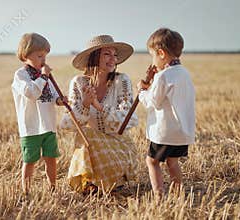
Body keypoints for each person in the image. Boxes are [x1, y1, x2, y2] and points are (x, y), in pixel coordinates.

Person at [60, 35, 138, 193]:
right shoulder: (78, 83)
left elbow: (129, 120)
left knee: (88, 135)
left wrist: (99, 106)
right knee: (84, 134)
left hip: (121, 148)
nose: (113, 59)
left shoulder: (121, 81)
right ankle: (92, 183)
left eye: (114, 55)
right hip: (93, 148)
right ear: (94, 57)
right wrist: (84, 105)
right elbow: (66, 124)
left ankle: (107, 181)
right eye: (107, 54)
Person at [137, 28, 196, 197]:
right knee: (173, 162)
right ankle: (178, 193)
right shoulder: (184, 73)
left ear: (161, 53)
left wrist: (142, 91)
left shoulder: (164, 76)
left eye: (152, 55)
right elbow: (167, 96)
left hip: (165, 132)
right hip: (182, 132)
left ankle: (159, 195)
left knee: (152, 161)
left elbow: (153, 101)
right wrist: (152, 85)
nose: (153, 60)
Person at [11, 33, 66, 194]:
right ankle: (26, 191)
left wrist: (60, 100)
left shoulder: (45, 76)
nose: (44, 60)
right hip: (31, 127)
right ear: (26, 55)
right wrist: (43, 76)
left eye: (45, 56)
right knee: (30, 161)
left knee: (51, 159)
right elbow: (31, 93)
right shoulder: (21, 75)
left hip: (48, 125)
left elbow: (53, 94)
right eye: (40, 56)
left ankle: (52, 188)